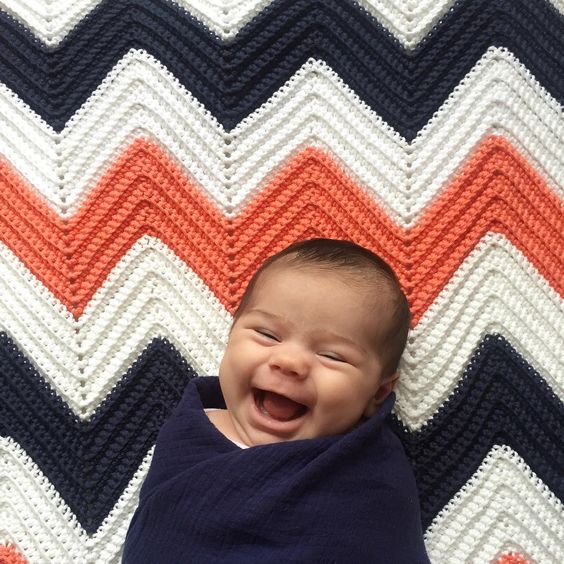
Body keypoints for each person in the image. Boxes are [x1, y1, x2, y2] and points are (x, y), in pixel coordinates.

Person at [122, 239, 430, 563]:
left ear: (378, 393)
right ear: (230, 337)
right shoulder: (190, 431)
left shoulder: (370, 469)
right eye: (268, 335)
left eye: (331, 355)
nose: (289, 361)